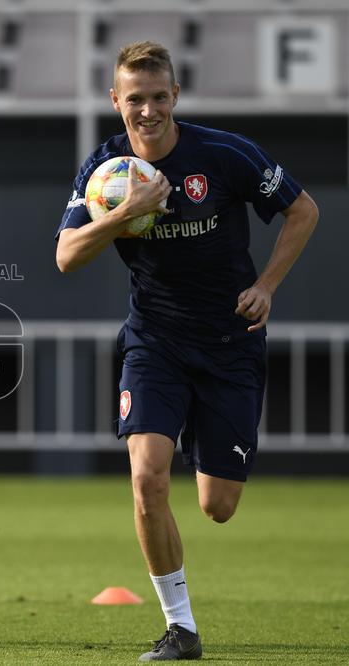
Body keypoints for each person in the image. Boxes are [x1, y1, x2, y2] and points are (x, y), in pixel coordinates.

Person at [56, 42, 318, 661]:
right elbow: (66, 255)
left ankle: (206, 448)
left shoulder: (223, 155)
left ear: (175, 96)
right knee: (146, 478)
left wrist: (266, 286)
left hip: (231, 344)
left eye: (158, 97)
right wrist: (127, 212)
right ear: (114, 100)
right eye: (134, 99)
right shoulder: (104, 170)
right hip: (155, 342)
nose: (146, 111)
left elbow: (303, 210)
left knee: (217, 506)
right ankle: (181, 628)